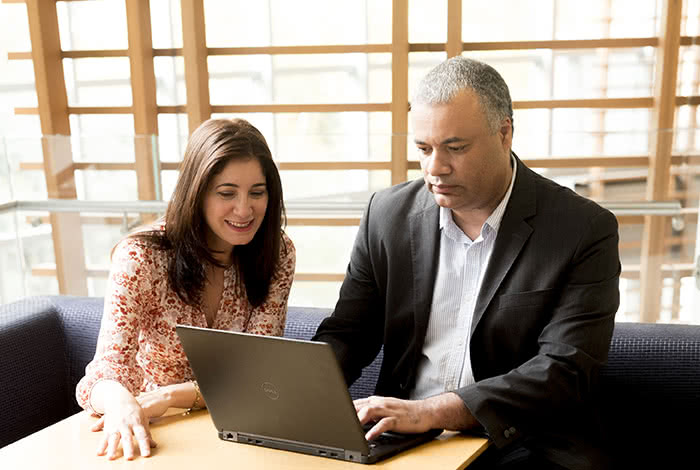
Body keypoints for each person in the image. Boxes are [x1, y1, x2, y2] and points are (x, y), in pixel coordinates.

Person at [313, 57, 620, 470]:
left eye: (455, 148)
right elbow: (349, 332)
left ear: (504, 132)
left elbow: (564, 370)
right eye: (423, 149)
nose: (434, 168)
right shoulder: (387, 215)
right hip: (405, 441)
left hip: (524, 442)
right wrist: (294, 396)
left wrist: (433, 411)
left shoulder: (582, 229)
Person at [76, 118, 296, 460]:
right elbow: (104, 372)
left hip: (240, 432)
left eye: (257, 192)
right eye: (226, 193)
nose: (244, 209)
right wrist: (121, 403)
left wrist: (170, 396)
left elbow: (257, 374)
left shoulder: (277, 252)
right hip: (156, 434)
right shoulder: (141, 257)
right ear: (197, 191)